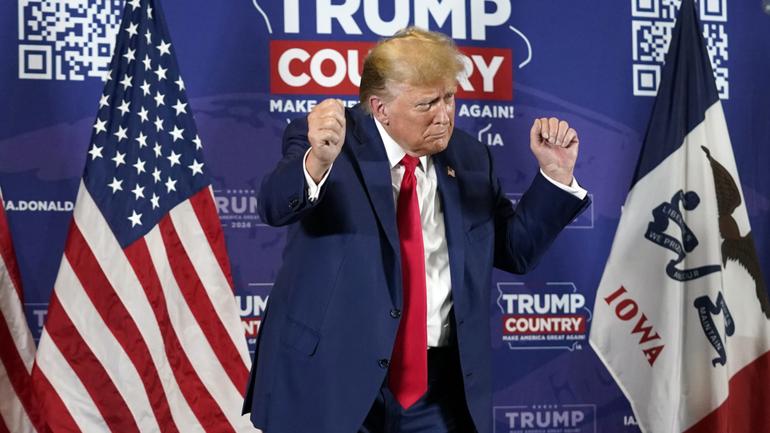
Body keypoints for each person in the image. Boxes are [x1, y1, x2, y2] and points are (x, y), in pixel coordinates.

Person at [243, 27, 590, 433]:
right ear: (380, 108)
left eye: (449, 98)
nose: (444, 115)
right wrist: (316, 162)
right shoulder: (328, 140)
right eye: (427, 103)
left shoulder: (471, 156)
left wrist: (554, 177)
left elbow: (515, 251)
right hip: (331, 378)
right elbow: (272, 205)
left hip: (435, 391)